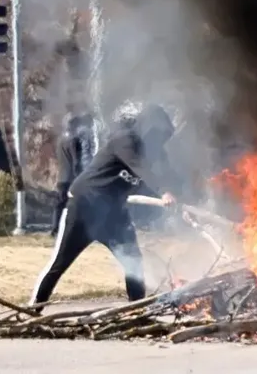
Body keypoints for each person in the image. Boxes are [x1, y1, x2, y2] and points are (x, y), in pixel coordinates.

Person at [30, 104, 179, 307]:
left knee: (133, 261)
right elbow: (141, 168)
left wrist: (180, 203)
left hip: (114, 214)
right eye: (156, 134)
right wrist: (163, 191)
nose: (159, 141)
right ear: (147, 128)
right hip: (84, 207)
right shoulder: (125, 140)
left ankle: (136, 310)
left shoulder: (156, 154)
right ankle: (35, 306)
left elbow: (170, 176)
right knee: (60, 263)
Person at [51, 113, 97, 238]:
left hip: (61, 177)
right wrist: (80, 176)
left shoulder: (60, 139)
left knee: (59, 204)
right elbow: (76, 161)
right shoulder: (73, 140)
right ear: (74, 125)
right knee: (77, 204)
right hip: (71, 178)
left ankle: (55, 229)